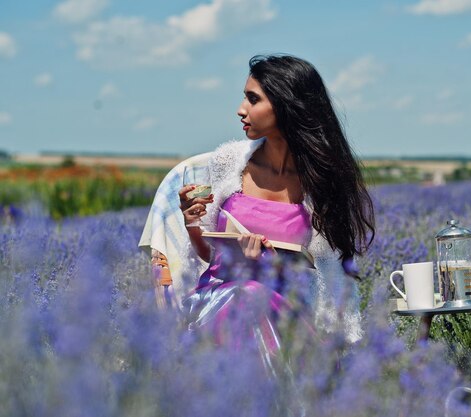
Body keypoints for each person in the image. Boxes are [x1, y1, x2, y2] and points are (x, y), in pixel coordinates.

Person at [139, 54, 375, 348]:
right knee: (246, 296)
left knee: (253, 296)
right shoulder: (229, 164)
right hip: (218, 302)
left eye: (253, 99)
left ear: (287, 105)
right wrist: (192, 223)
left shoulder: (320, 185)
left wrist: (272, 268)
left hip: (290, 314)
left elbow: (330, 279)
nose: (241, 110)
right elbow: (208, 256)